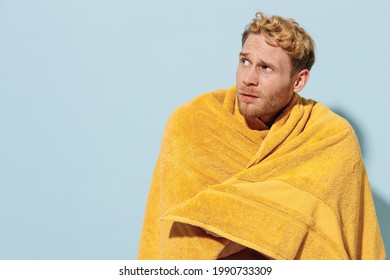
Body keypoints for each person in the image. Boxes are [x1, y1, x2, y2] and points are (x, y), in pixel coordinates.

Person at [138, 11, 386, 260]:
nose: (248, 79)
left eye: (266, 68)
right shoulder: (193, 122)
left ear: (298, 81)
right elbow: (181, 235)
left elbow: (330, 236)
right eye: (245, 61)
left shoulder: (328, 137)